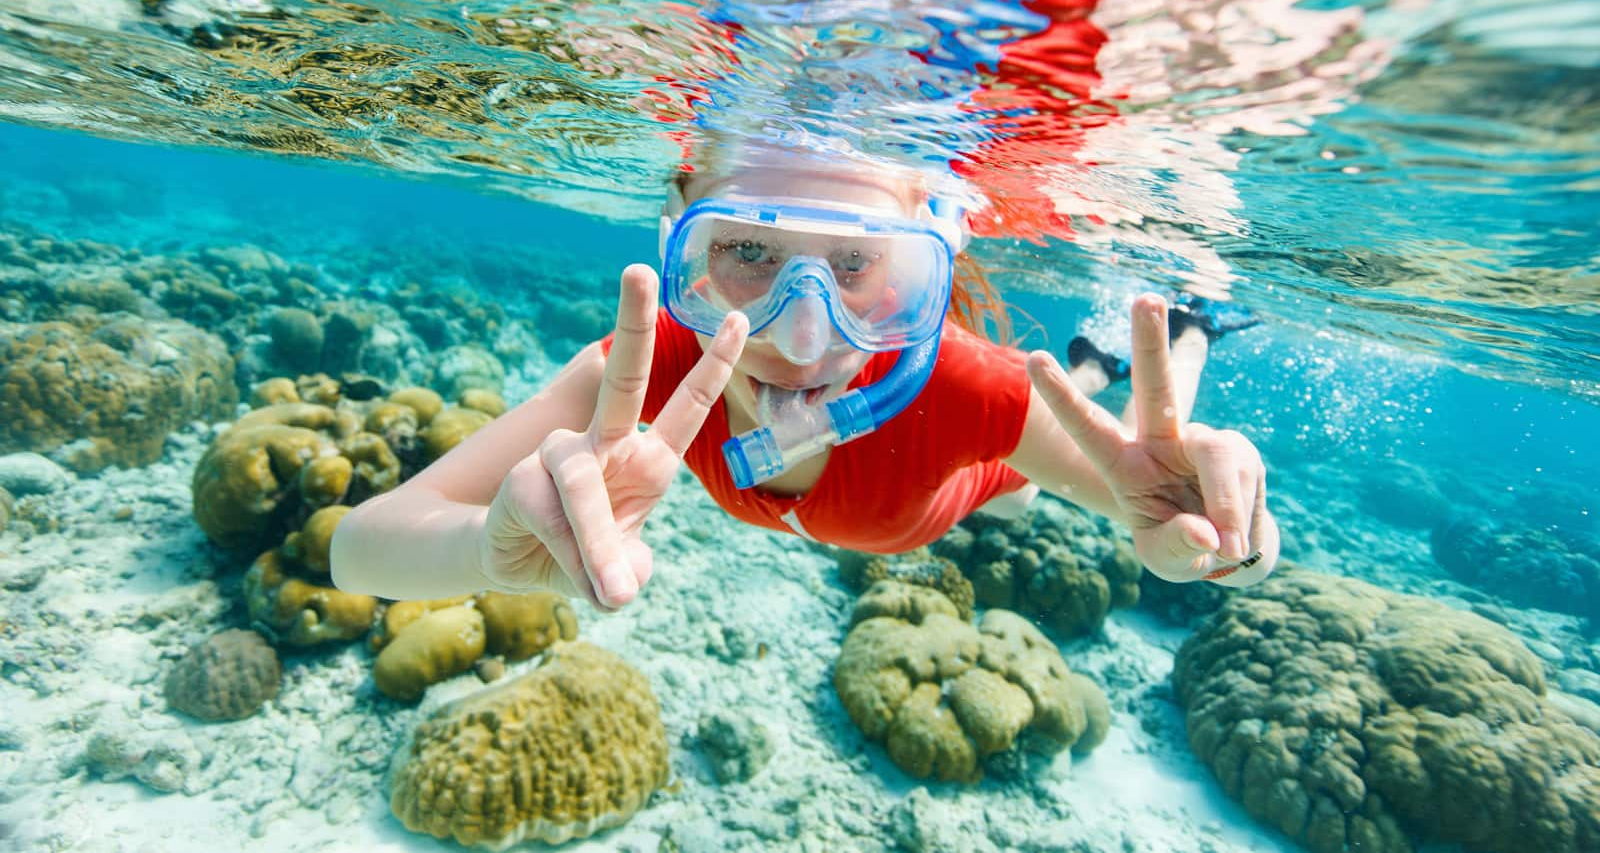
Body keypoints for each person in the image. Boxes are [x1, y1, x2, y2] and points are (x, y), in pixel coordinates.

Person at [330, 139, 1280, 610]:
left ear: (924, 264)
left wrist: (1224, 543)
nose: (801, 337)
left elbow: (1188, 540)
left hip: (962, 481)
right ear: (680, 238)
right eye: (748, 250)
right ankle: (1105, 356)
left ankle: (1184, 334)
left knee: (1035, 488)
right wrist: (482, 551)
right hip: (906, 492)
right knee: (1057, 436)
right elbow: (357, 550)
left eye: (857, 267)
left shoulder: (970, 388)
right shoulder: (644, 375)